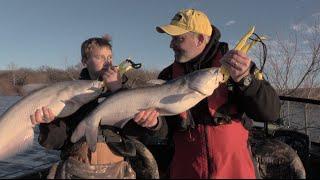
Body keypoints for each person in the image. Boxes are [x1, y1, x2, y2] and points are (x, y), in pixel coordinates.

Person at [132, 8, 281, 179]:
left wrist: (246, 80)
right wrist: (154, 124)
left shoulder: (237, 67)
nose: (171, 44)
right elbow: (166, 131)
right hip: (187, 169)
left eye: (178, 38)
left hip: (234, 170)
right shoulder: (166, 77)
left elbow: (271, 112)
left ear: (200, 39)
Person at [30, 35, 137, 179]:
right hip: (77, 171)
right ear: (84, 61)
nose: (107, 62)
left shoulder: (127, 91)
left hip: (118, 169)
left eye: (110, 57)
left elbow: (137, 131)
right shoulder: (69, 94)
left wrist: (118, 90)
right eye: (100, 57)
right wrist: (49, 122)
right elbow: (55, 141)